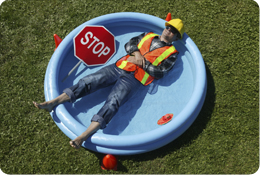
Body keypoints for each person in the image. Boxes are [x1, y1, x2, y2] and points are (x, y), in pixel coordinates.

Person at [33, 19, 184, 149]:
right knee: (88, 81)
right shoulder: (148, 35)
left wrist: (142, 64)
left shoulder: (172, 54)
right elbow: (130, 44)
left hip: (134, 80)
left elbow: (160, 73)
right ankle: (53, 102)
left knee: (113, 103)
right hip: (118, 67)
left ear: (176, 37)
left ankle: (83, 136)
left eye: (173, 31)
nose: (168, 30)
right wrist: (137, 54)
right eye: (168, 27)